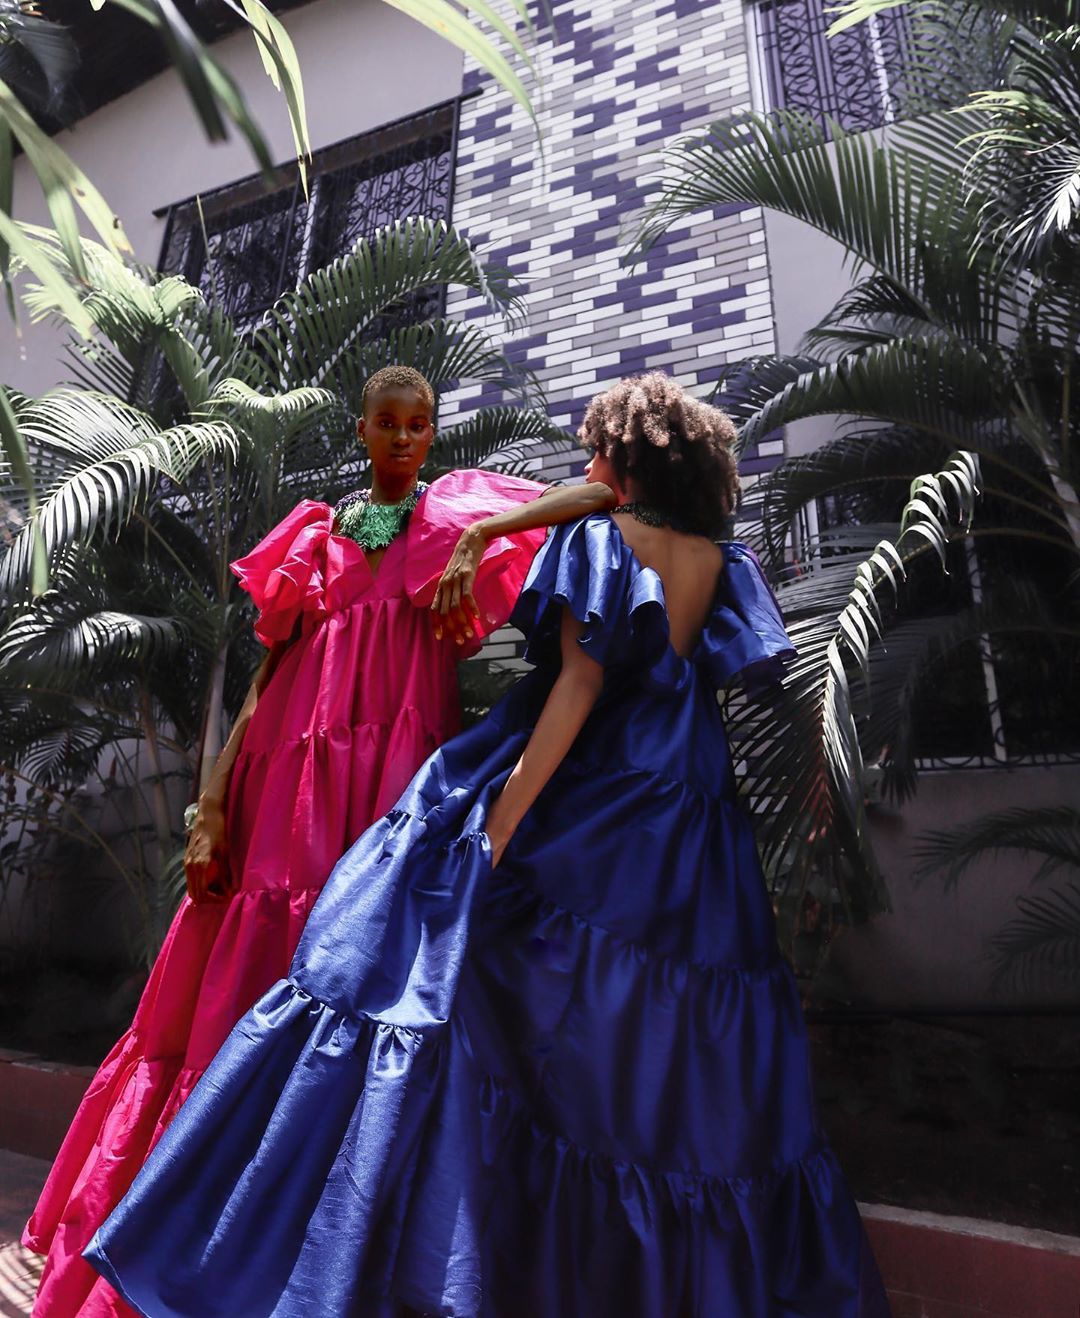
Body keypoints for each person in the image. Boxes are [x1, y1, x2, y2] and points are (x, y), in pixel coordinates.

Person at [85, 372, 890, 1317]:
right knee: (662, 1048)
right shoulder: (721, 561)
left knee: (444, 969)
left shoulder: (604, 540)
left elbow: (580, 686)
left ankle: (397, 1244)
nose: (586, 471)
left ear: (622, 462)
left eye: (597, 454)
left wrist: (501, 821)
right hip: (691, 817)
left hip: (598, 789)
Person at [26, 365, 616, 1318]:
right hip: (284, 793)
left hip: (392, 795)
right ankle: (184, 1244)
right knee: (251, 990)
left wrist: (480, 535)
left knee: (362, 993)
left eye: (418, 425)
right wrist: (211, 804)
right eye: (387, 423)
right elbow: (264, 681)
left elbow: (600, 494)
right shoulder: (315, 535)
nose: (403, 438)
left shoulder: (455, 515)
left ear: (432, 433)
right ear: (362, 429)